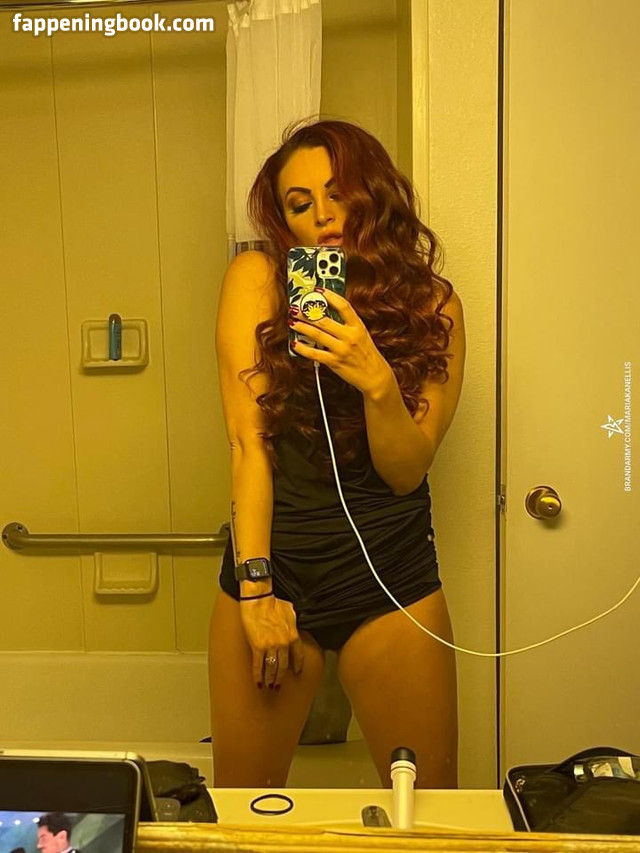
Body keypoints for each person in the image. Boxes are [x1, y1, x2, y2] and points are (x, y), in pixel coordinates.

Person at [209, 118, 465, 790]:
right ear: (285, 222)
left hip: (391, 573)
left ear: (373, 194)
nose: (322, 215)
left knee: (426, 811)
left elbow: (406, 470)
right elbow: (247, 444)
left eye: (338, 192)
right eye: (300, 204)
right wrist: (257, 589)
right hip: (277, 566)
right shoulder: (257, 280)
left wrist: (376, 379)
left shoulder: (433, 305)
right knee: (244, 811)